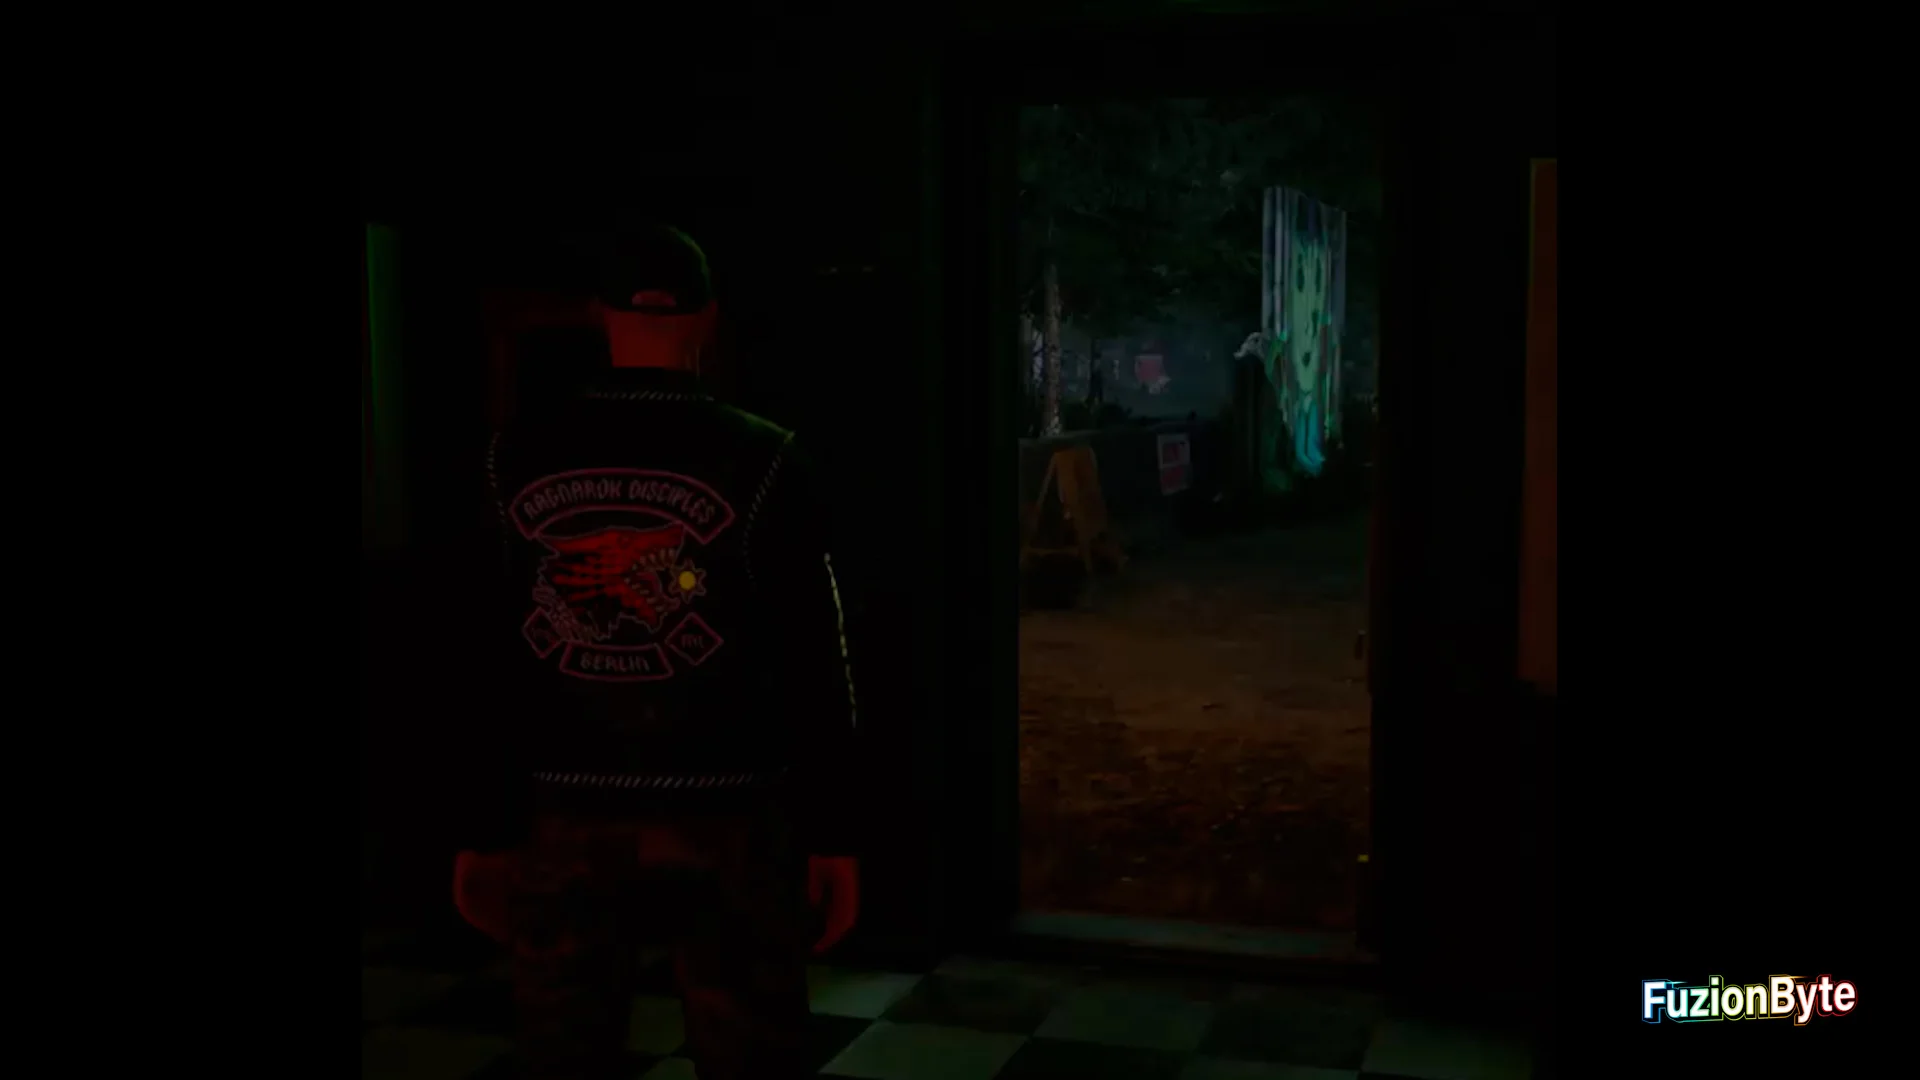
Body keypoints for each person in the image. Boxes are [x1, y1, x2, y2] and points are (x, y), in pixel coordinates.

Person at [452, 224, 861, 1080]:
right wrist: (833, 833)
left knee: (564, 1055)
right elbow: (816, 662)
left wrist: (482, 827)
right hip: (732, 807)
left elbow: (484, 661)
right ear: (707, 318)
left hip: (563, 806)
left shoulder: (510, 457)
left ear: (598, 315)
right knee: (752, 1055)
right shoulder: (767, 458)